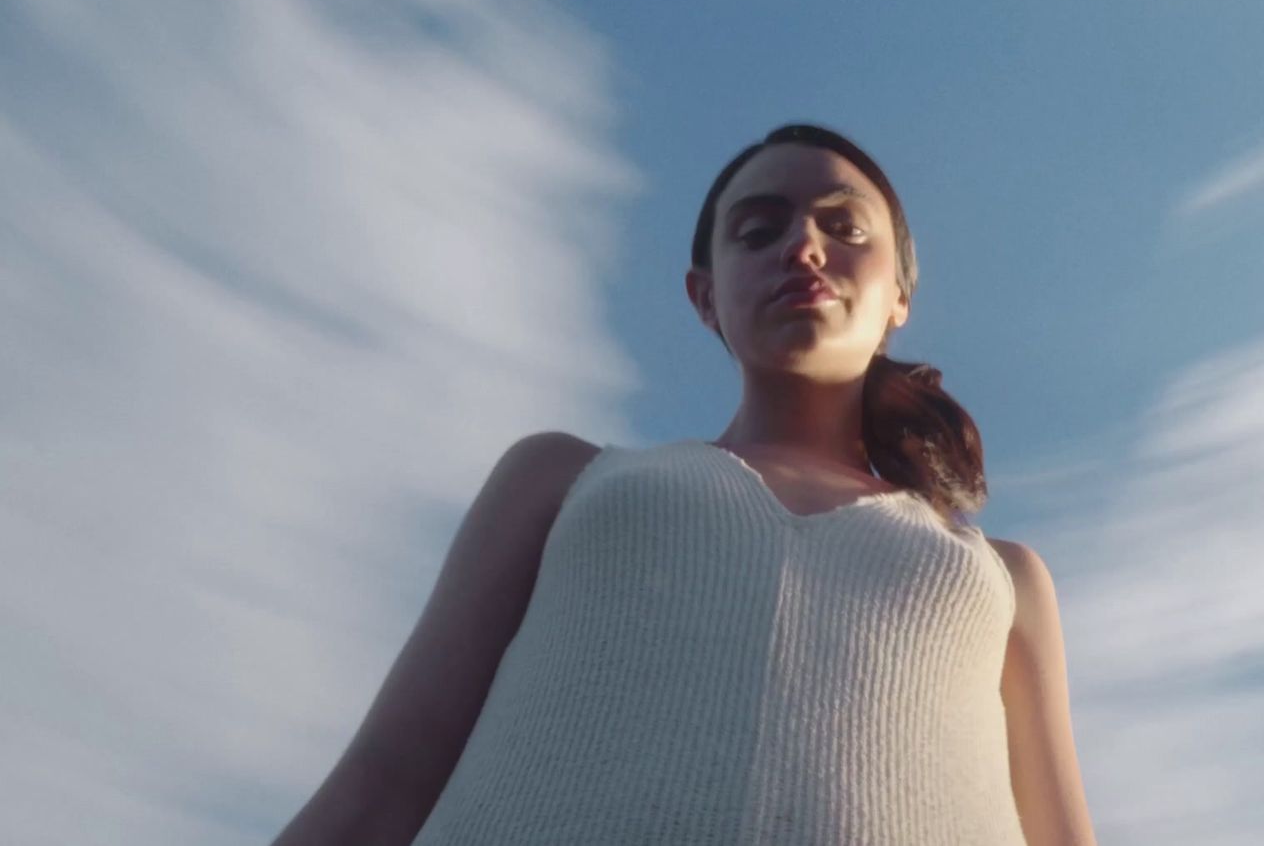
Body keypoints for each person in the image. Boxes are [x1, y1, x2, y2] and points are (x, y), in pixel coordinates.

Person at [272, 123, 1096, 845]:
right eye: (757, 230)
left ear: (900, 298)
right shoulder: (564, 479)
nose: (802, 247)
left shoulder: (1003, 576)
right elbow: (384, 779)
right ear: (704, 297)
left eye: (843, 226)